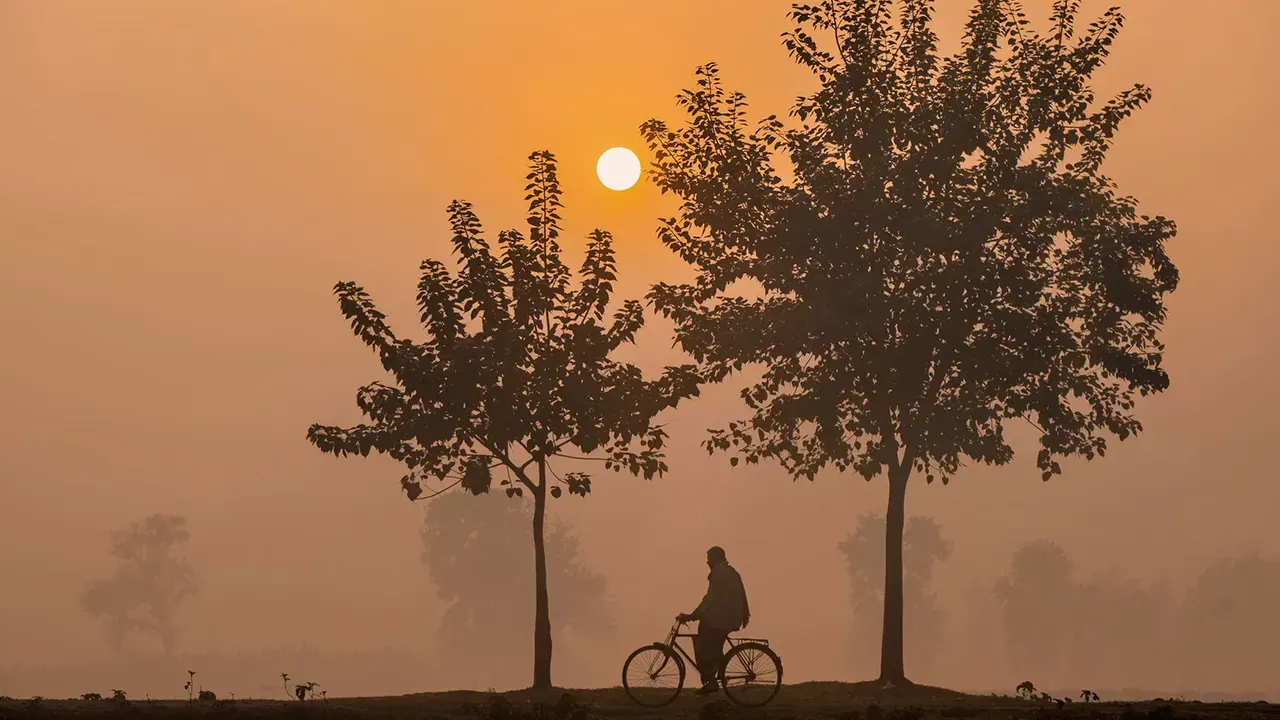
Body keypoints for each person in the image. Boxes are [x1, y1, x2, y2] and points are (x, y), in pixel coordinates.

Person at [676, 545, 750, 695]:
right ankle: (713, 676)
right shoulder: (726, 572)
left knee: (704, 644)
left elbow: (710, 599)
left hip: (724, 618)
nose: (707, 562)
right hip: (725, 616)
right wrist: (696, 615)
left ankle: (711, 681)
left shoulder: (720, 573)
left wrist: (693, 615)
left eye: (709, 558)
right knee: (708, 641)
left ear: (716, 558)